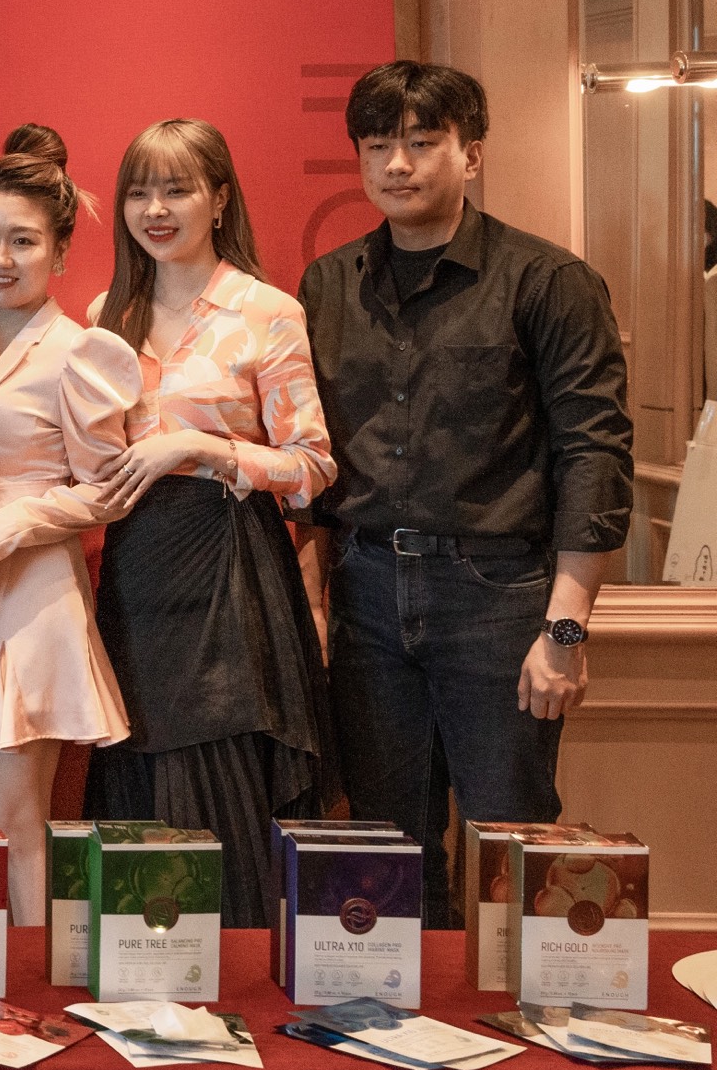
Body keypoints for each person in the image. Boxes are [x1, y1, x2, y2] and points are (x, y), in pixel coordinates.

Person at [296, 63, 631, 930]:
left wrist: (566, 630)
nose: (397, 164)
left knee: (510, 838)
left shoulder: (547, 280)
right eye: (378, 145)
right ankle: (403, 1010)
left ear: (471, 154)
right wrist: (317, 599)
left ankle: (521, 1007)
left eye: (422, 142)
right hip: (367, 592)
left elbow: (594, 454)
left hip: (498, 595)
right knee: (386, 847)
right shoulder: (327, 284)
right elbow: (314, 457)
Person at [83, 118, 335, 928]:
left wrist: (204, 449)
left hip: (230, 568)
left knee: (217, 771)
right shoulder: (106, 314)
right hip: (134, 569)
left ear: (219, 199)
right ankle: (142, 963)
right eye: (139, 192)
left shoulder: (268, 311)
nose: (155, 210)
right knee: (138, 764)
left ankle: (229, 967)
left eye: (177, 190)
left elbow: (312, 467)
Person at [0, 126, 137, 926]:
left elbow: (110, 489)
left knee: (16, 822)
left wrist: (9, 526)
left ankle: (33, 983)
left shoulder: (80, 351)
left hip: (30, 595)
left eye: (22, 241)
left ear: (59, 253)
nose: (0, 257)